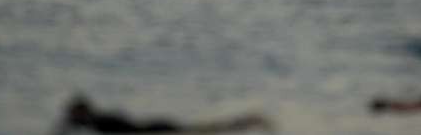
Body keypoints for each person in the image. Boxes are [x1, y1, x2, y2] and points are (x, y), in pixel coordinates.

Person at [55, 95, 272, 134]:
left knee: (201, 130)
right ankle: (249, 121)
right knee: (200, 129)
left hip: (155, 129)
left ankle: (249, 121)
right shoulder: (95, 120)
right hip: (152, 126)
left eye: (74, 112)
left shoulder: (96, 120)